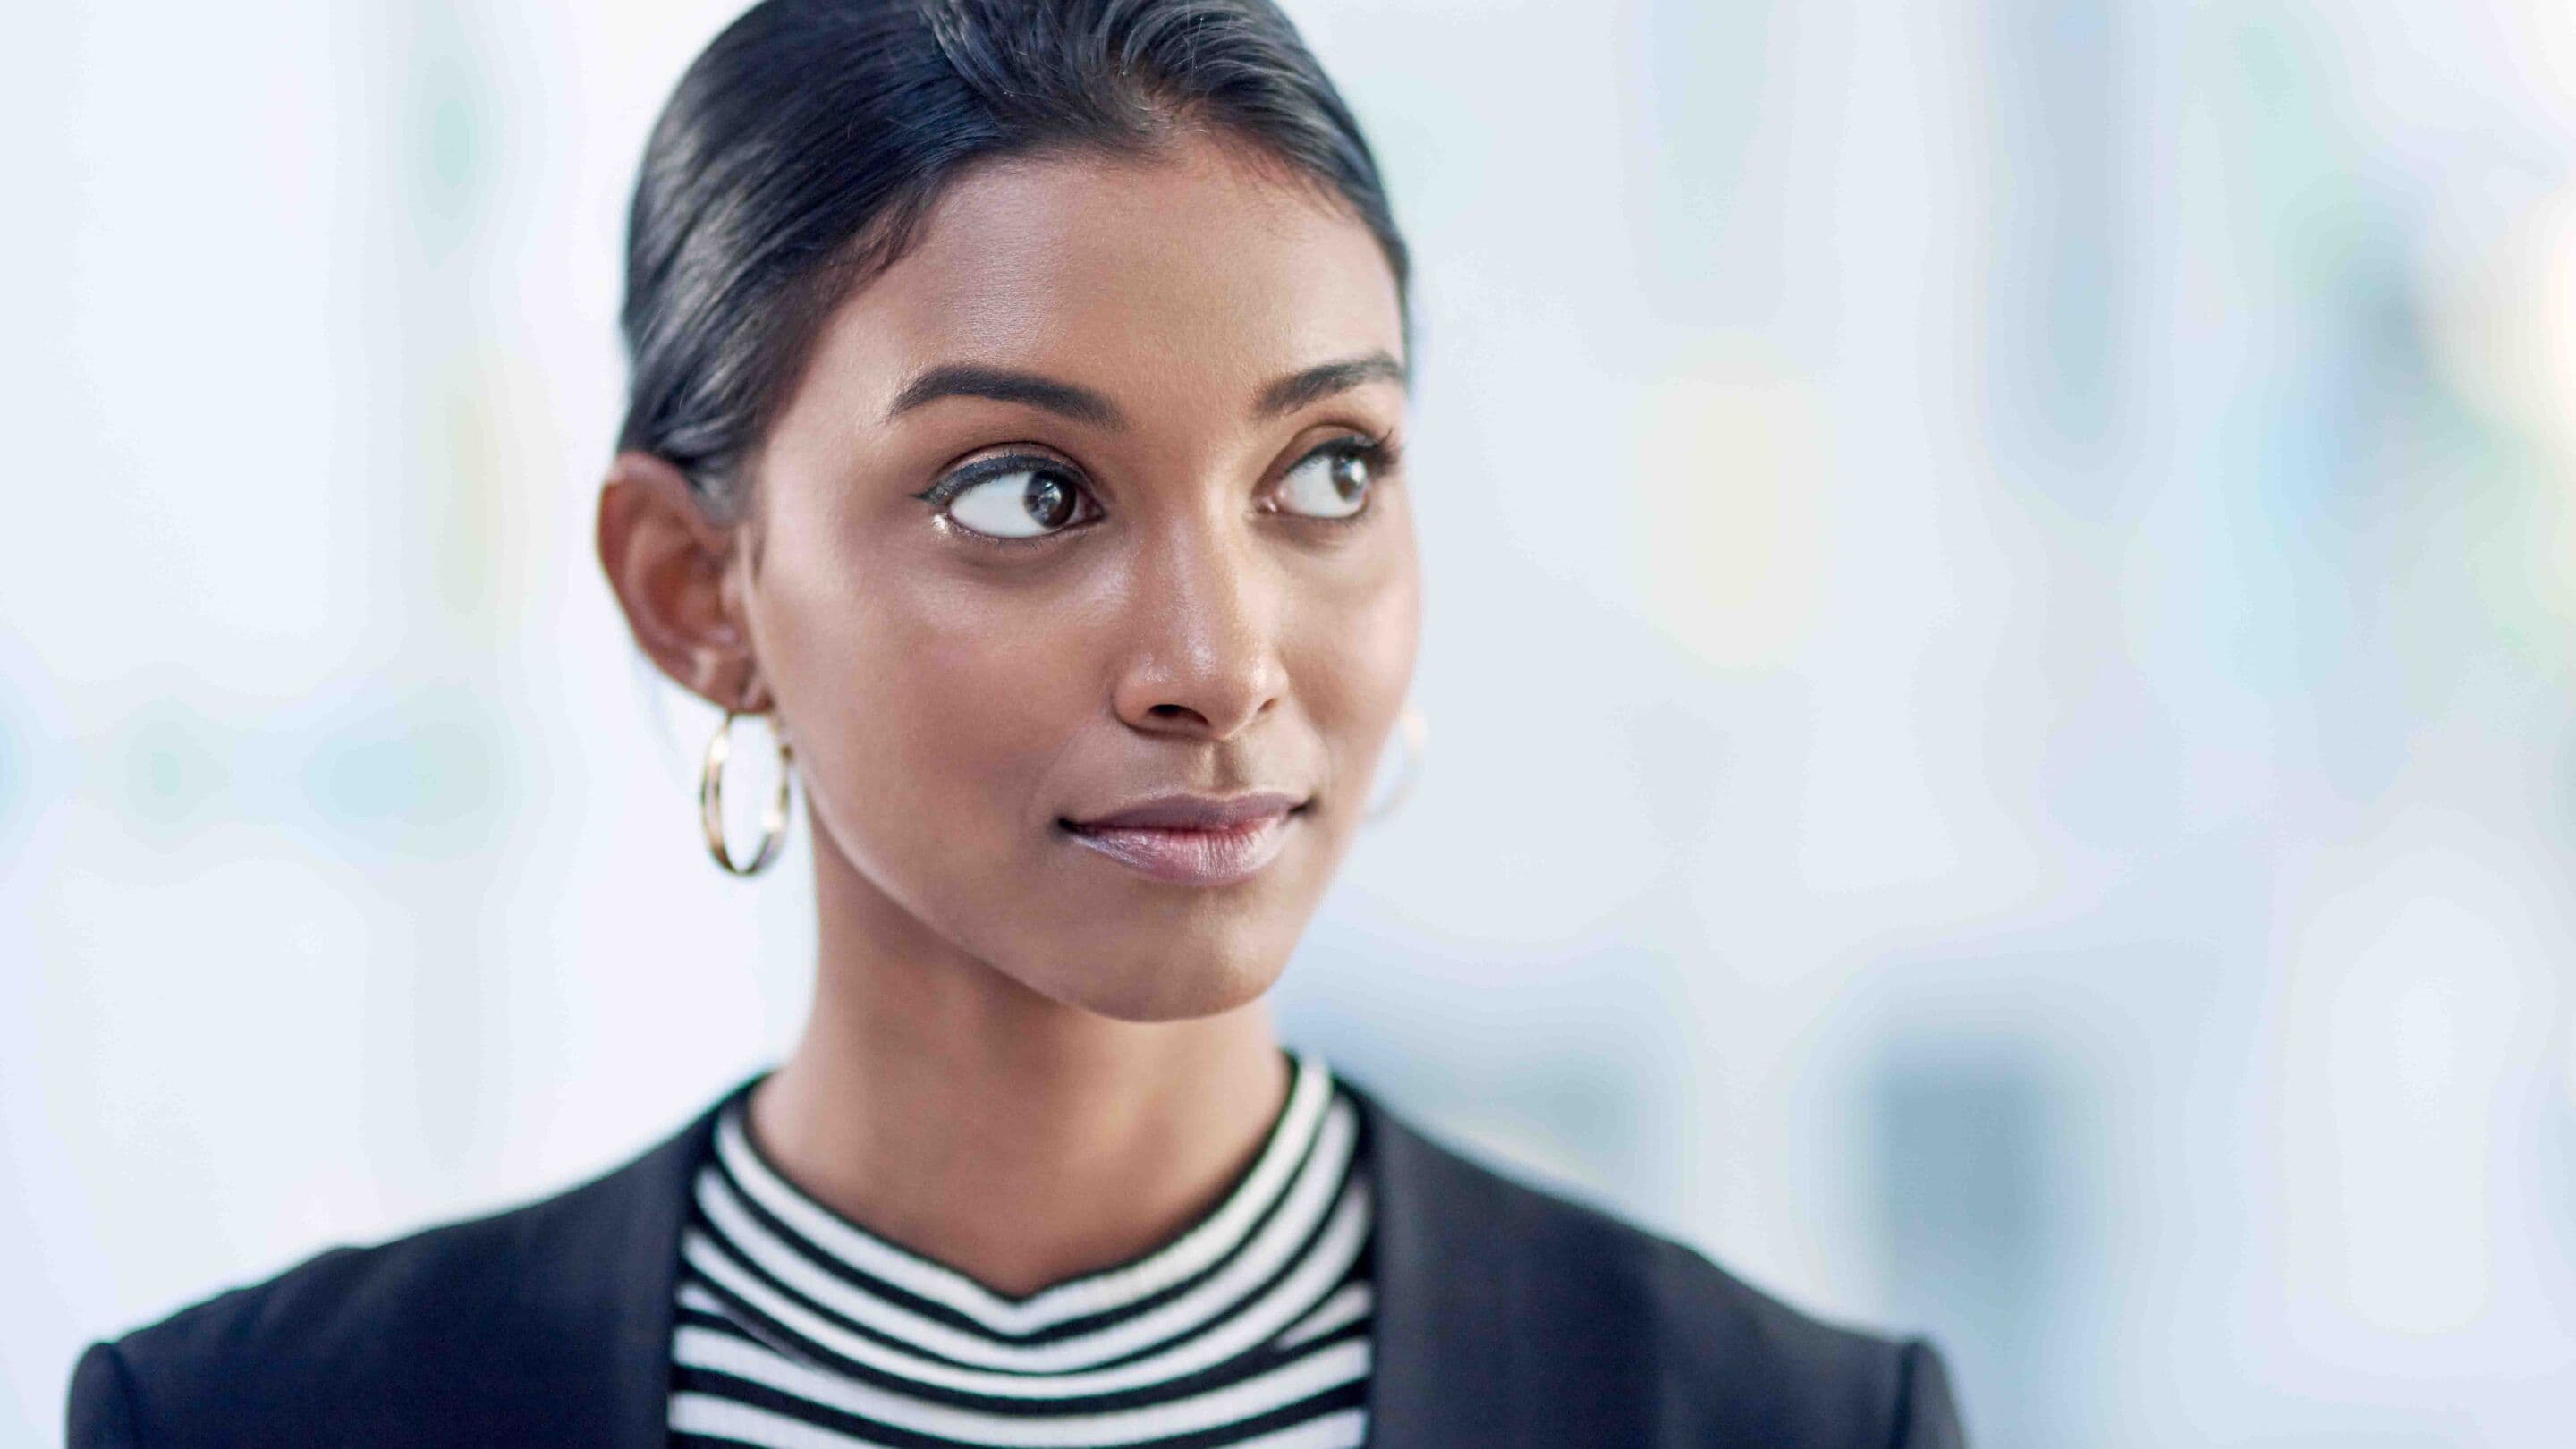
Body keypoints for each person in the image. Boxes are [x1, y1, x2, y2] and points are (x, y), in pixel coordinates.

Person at [65, 1, 1967, 1445]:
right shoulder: (256, 1420)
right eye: (1023, 494)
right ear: (696, 589)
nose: (1220, 661)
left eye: (1324, 473)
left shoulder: (1784, 1421)